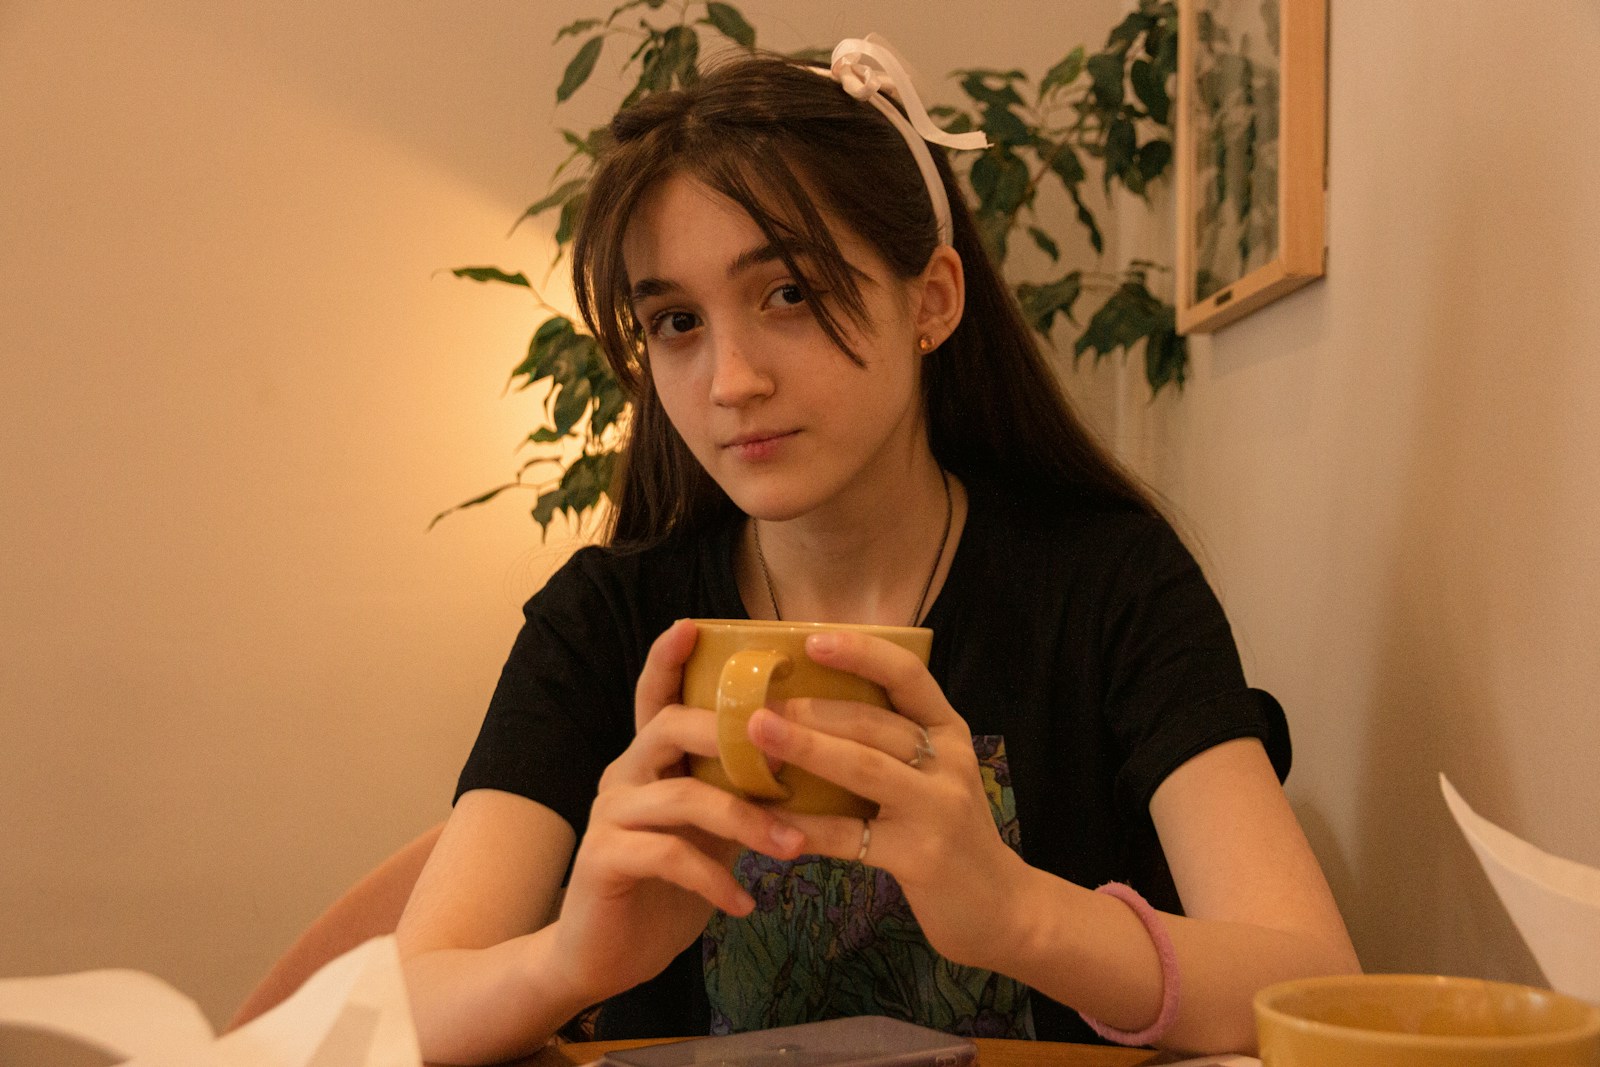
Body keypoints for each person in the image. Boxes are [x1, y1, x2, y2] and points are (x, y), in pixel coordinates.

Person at [395, 36, 1359, 1065]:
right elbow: (398, 1006)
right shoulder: (603, 620)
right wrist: (569, 960)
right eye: (675, 321)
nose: (728, 381)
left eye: (789, 293)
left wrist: (1018, 914)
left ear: (932, 299)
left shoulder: (1106, 582)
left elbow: (1313, 986)